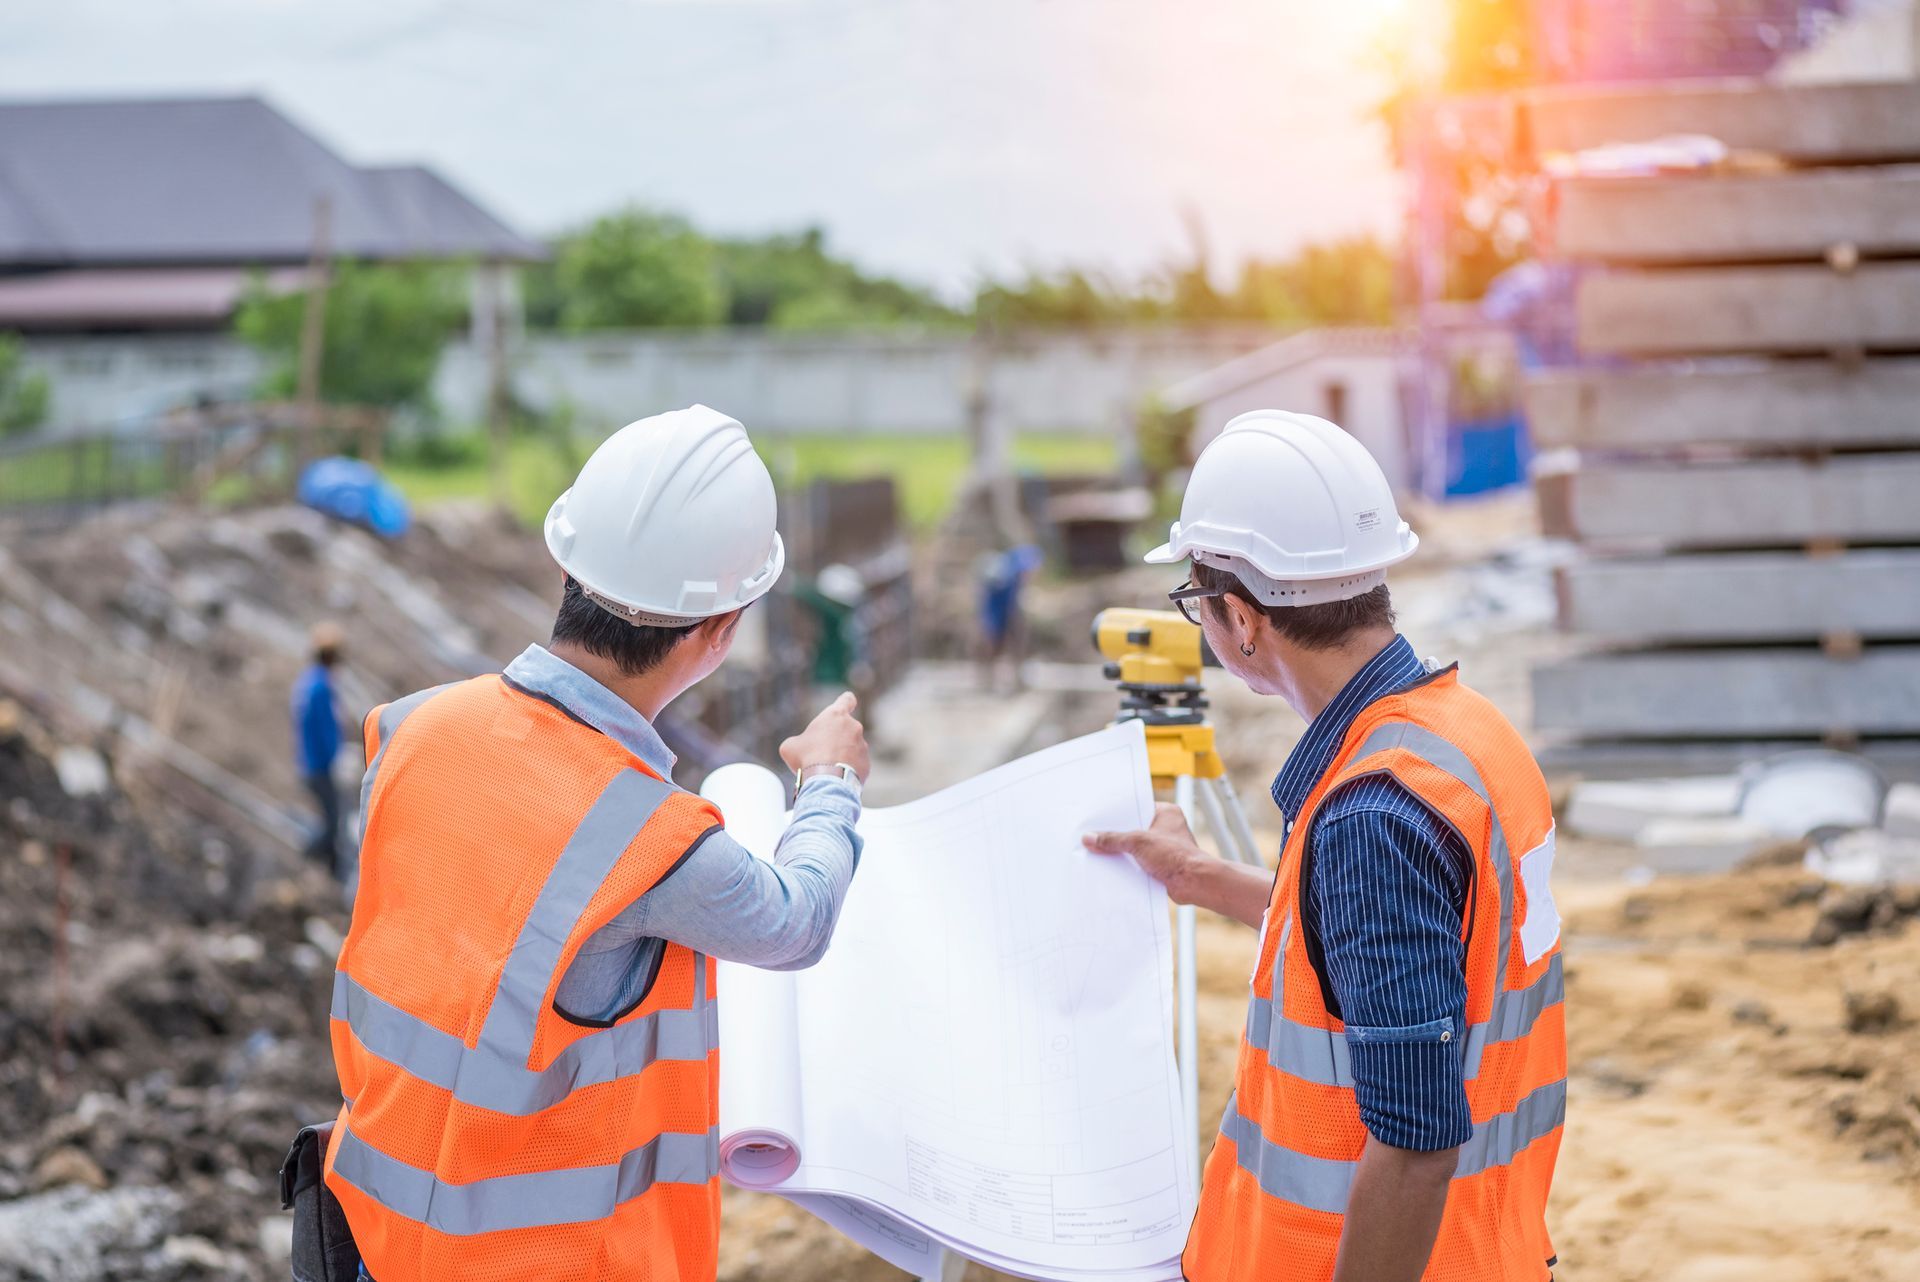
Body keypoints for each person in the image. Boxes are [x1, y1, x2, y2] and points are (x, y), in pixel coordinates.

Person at [320, 405, 871, 1282]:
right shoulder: (650, 840)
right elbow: (796, 922)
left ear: (567, 565)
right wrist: (830, 784)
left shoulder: (412, 728)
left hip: (374, 1233)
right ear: (722, 629)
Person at [1083, 410, 1564, 1282]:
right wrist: (1201, 877)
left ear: (1241, 617)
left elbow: (1415, 1141)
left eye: (1198, 606)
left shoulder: (1370, 816)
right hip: (1488, 1248)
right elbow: (1389, 951)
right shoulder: (1464, 736)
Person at [290, 623, 346, 876]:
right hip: (320, 763)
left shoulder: (307, 682)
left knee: (332, 819)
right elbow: (325, 728)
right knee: (333, 821)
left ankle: (330, 872)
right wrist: (335, 756)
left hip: (308, 761)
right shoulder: (321, 687)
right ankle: (307, 860)